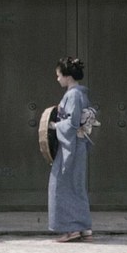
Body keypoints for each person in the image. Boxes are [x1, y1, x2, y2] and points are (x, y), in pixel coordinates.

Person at [48, 57, 93, 242]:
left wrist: (55, 126)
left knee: (61, 185)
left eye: (59, 75)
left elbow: (73, 123)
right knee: (76, 186)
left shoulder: (73, 95)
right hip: (77, 145)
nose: (57, 78)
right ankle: (84, 226)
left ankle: (71, 228)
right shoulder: (80, 93)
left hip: (72, 145)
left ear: (67, 76)